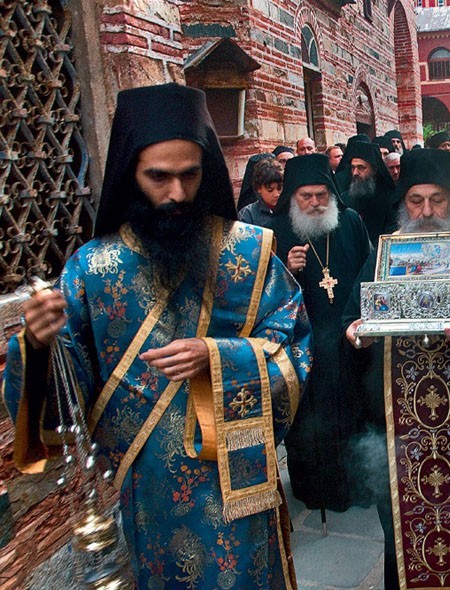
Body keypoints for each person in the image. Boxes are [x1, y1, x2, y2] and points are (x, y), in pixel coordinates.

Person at [2, 83, 311, 589]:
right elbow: (66, 401)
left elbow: (294, 347)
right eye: (159, 177)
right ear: (131, 173)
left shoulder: (248, 253)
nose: (177, 194)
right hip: (149, 496)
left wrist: (217, 357)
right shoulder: (91, 269)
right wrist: (38, 346)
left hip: (239, 488)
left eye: (190, 175)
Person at [343, 149, 450, 590]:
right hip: (397, 428)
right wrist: (355, 334)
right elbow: (352, 317)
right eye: (416, 201)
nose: (427, 211)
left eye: (438, 200)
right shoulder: (386, 254)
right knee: (404, 537)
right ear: (404, 203)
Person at [265, 154, 372, 516]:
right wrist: (285, 269)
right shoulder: (276, 232)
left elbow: (369, 273)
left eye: (321, 195)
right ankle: (316, 488)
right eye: (306, 196)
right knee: (312, 422)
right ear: (292, 197)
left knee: (354, 411)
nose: (315, 203)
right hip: (304, 347)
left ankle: (359, 486)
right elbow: (260, 299)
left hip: (347, 341)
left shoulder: (350, 222)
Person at [337, 140, 398, 245]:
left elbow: (391, 234)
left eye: (361, 168)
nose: (355, 173)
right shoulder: (345, 199)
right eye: (353, 168)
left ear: (374, 170)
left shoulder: (391, 199)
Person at [238, 157, 284, 226]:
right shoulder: (248, 214)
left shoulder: (292, 210)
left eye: (279, 188)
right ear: (259, 188)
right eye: (270, 190)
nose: (276, 194)